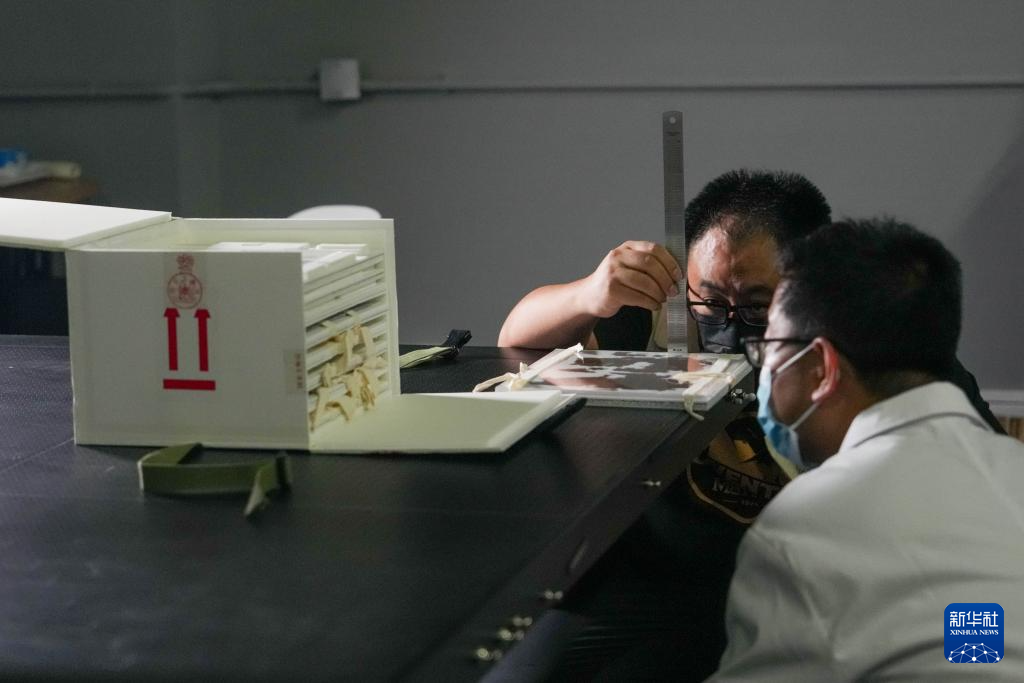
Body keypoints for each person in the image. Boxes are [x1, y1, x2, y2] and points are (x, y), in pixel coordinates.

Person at [497, 170, 1004, 681]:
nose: (732, 330)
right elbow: (518, 342)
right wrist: (588, 293)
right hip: (661, 577)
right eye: (711, 302)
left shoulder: (812, 524)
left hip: (805, 578)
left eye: (761, 314)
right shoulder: (1005, 476)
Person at [710, 218, 1024, 681]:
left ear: (821, 368)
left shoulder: (803, 529)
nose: (765, 373)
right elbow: (978, 649)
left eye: (770, 347)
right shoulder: (1013, 472)